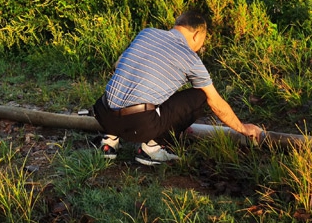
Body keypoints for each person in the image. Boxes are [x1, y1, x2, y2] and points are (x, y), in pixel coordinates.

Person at [93, 10, 262, 166]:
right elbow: (216, 102)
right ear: (196, 35)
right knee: (199, 97)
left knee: (130, 83)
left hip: (103, 114)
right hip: (139, 126)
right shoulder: (191, 59)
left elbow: (118, 65)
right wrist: (243, 128)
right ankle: (150, 150)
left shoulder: (146, 33)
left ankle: (109, 142)